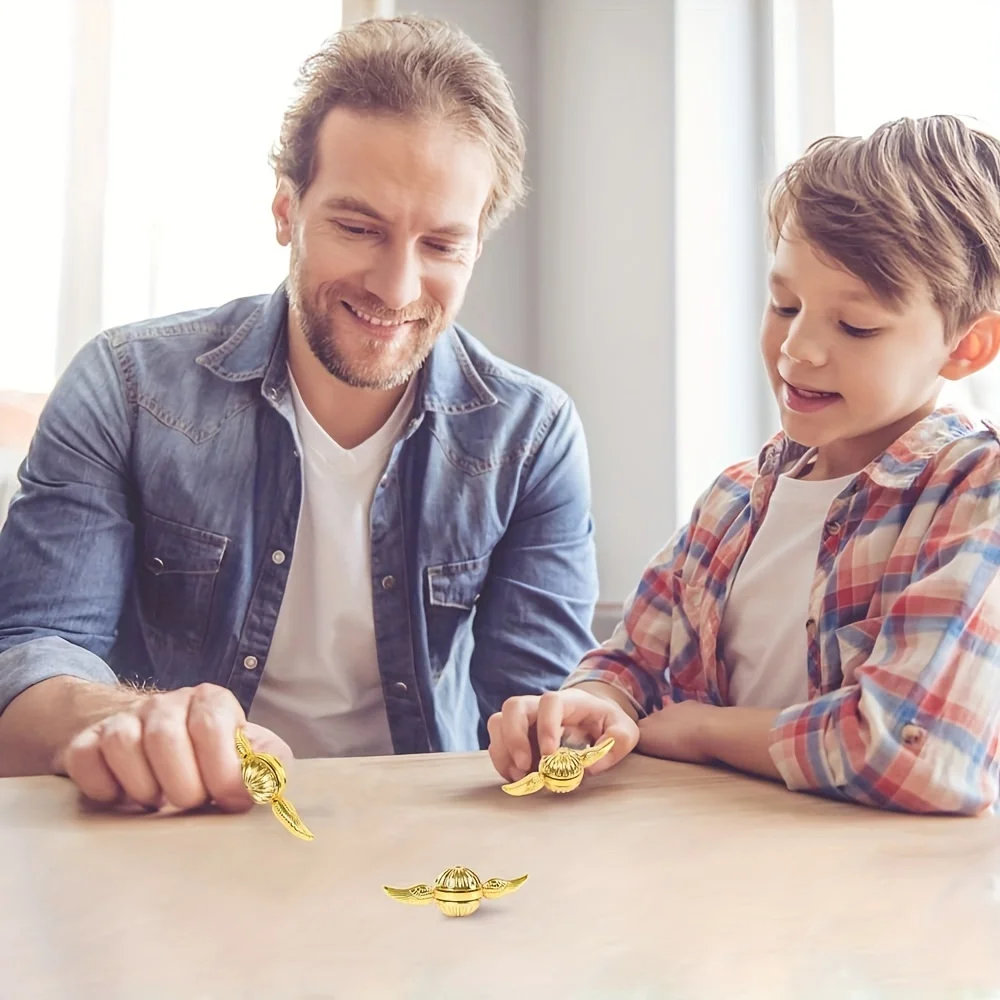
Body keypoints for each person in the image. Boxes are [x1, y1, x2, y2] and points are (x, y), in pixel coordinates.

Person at [0, 15, 599, 813]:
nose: (396, 286)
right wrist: (136, 719)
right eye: (358, 227)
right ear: (286, 210)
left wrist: (566, 730)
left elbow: (543, 711)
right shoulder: (128, 388)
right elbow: (28, 659)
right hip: (180, 829)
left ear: (477, 247)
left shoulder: (532, 437)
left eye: (443, 245)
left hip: (420, 844)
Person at [489, 115, 1000, 815]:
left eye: (856, 326)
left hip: (886, 908)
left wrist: (704, 732)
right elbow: (630, 666)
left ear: (967, 347)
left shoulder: (975, 497)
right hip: (722, 889)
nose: (799, 350)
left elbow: (913, 749)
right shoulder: (732, 502)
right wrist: (590, 705)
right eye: (785, 304)